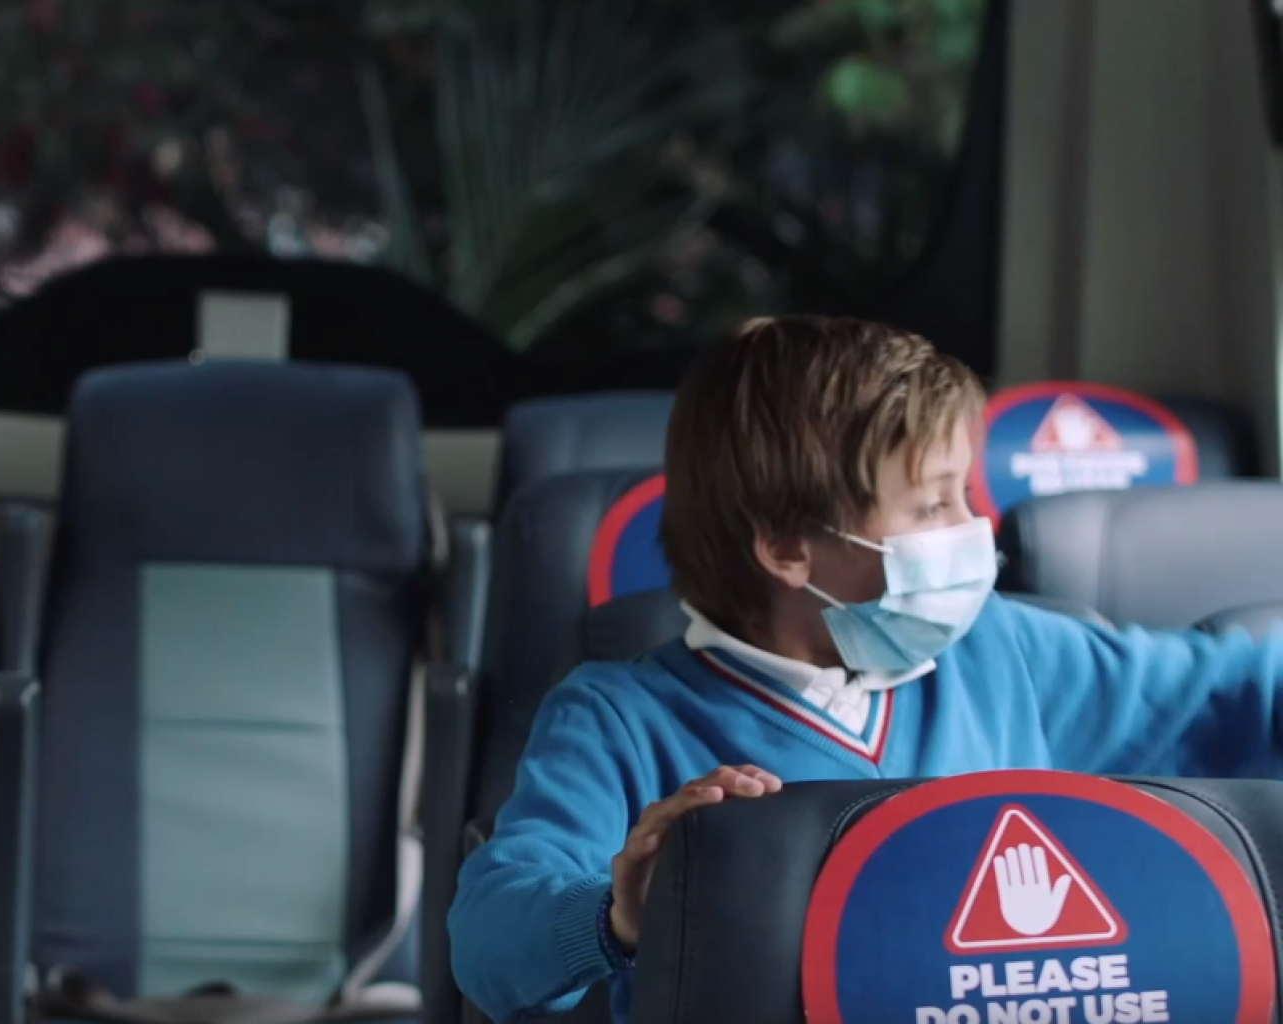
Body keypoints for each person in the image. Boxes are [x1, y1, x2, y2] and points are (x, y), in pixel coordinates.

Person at [447, 315, 1283, 1023]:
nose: (975, 528)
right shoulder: (620, 717)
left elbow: (1237, 693)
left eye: (965, 494)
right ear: (787, 548)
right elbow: (486, 941)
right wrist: (616, 913)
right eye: (933, 504)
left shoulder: (1001, 649)